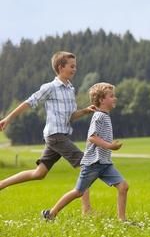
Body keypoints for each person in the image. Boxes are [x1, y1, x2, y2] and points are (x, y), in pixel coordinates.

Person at [0, 51, 94, 213]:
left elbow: (70, 116)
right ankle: (87, 211)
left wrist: (86, 110)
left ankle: (1, 184)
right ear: (60, 67)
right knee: (85, 165)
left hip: (59, 135)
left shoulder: (70, 89)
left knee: (39, 173)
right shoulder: (50, 87)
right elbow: (29, 103)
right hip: (55, 135)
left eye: (75, 66)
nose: (74, 69)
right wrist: (8, 118)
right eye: (71, 66)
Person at [41, 83, 132, 223]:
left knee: (123, 186)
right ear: (101, 100)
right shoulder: (99, 116)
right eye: (111, 96)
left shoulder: (105, 116)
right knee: (78, 192)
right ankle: (51, 213)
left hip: (105, 163)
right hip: (93, 163)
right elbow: (92, 137)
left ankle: (122, 220)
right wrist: (110, 146)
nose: (115, 98)